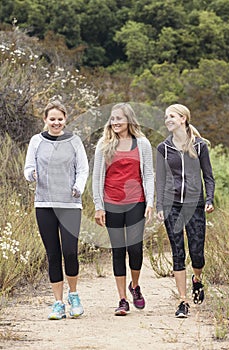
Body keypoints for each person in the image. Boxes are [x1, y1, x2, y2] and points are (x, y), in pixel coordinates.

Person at [24, 99, 89, 320]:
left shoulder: (74, 141)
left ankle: (74, 296)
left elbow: (82, 169)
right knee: (53, 254)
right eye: (52, 119)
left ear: (65, 120)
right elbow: (29, 167)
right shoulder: (36, 141)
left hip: (70, 204)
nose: (56, 122)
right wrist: (31, 175)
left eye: (60, 119)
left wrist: (78, 187)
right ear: (45, 119)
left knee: (70, 251)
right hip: (44, 204)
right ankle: (58, 303)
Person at [92, 103, 154, 316]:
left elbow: (148, 174)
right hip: (112, 203)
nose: (115, 122)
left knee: (135, 249)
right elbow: (97, 176)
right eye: (112, 118)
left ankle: (134, 286)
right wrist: (99, 206)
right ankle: (122, 300)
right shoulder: (104, 144)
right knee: (118, 251)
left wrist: (151, 202)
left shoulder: (142, 143)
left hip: (136, 202)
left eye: (119, 118)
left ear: (129, 120)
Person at [156, 103, 215, 318]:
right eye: (166, 116)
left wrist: (209, 198)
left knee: (197, 254)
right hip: (172, 205)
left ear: (183, 119)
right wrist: (160, 205)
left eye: (172, 116)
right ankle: (183, 301)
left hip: (195, 206)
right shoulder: (163, 148)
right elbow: (160, 180)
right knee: (178, 252)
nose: (168, 119)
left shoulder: (200, 146)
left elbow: (208, 176)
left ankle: (197, 279)